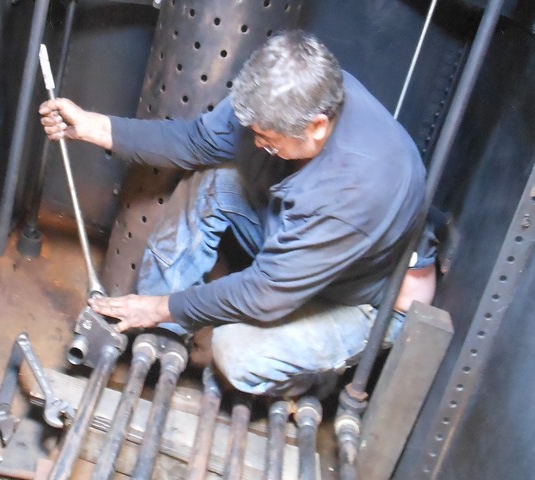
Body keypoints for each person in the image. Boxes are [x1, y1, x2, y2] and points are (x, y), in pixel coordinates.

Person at [39, 30, 436, 398]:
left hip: (363, 301)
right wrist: (89, 126)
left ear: (316, 127)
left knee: (233, 355)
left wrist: (160, 306)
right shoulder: (286, 91)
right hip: (306, 247)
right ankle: (162, 338)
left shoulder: (358, 187)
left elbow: (266, 295)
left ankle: (307, 386)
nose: (256, 142)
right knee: (218, 181)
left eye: (267, 139)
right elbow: (196, 142)